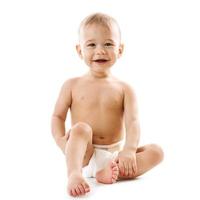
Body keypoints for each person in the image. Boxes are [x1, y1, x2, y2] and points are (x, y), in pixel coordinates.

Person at [51, 13, 164, 197]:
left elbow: (133, 123)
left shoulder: (125, 89)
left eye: (108, 44)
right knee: (80, 129)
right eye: (91, 44)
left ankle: (109, 173)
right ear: (80, 51)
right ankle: (74, 174)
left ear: (120, 50)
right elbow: (57, 116)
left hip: (115, 157)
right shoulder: (71, 85)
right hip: (83, 155)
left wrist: (129, 151)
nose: (100, 50)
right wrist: (60, 140)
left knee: (157, 152)